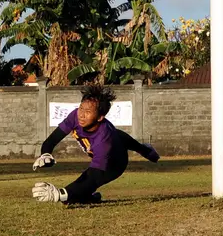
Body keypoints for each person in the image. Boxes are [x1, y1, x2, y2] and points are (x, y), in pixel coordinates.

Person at [31, 85, 160, 204]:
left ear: (100, 117)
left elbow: (94, 177)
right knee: (74, 195)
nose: (81, 114)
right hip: (115, 139)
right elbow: (52, 139)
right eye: (81, 108)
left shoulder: (104, 138)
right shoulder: (75, 116)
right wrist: (46, 154)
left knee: (74, 193)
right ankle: (90, 197)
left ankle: (146, 151)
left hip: (114, 165)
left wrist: (60, 194)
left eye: (88, 111)